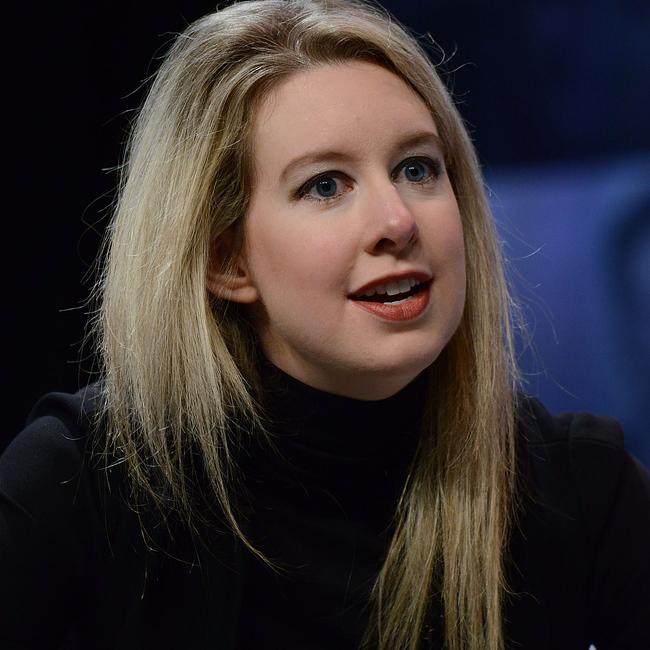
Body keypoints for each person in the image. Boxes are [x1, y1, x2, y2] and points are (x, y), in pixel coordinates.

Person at [1, 0, 649, 648]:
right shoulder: (79, 488)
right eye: (326, 185)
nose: (398, 221)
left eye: (417, 168)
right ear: (226, 260)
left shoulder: (582, 488)